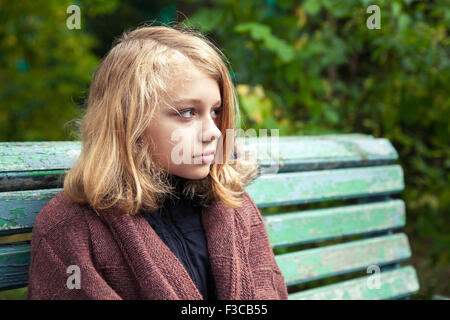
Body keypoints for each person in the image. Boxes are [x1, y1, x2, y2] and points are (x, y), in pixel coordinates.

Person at [26, 24, 288, 300]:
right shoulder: (71, 228)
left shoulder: (233, 204)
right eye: (188, 113)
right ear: (129, 123)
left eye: (215, 112)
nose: (213, 132)